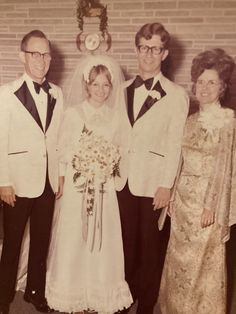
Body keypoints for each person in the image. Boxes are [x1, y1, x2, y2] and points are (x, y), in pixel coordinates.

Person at [45, 55, 133, 314]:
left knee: (103, 240)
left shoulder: (117, 117)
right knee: (74, 238)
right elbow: (62, 149)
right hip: (77, 188)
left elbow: (124, 149)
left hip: (104, 189)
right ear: (86, 86)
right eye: (95, 84)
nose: (101, 90)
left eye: (106, 85)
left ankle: (100, 292)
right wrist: (80, 164)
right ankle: (69, 290)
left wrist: (109, 168)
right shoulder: (73, 114)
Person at [115, 22, 189, 314]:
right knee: (124, 244)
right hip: (122, 181)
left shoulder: (176, 95)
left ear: (165, 53)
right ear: (136, 50)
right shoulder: (119, 90)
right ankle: (123, 297)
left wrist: (166, 185)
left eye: (155, 49)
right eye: (143, 48)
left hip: (153, 184)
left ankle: (146, 304)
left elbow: (175, 144)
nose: (148, 54)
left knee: (150, 248)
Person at [159, 48, 236, 314]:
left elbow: (224, 169)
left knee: (202, 266)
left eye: (211, 82)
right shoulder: (189, 120)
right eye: (200, 81)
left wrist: (211, 206)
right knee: (180, 264)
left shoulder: (228, 122)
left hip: (206, 206)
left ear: (222, 86)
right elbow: (179, 161)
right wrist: (171, 196)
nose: (204, 87)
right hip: (182, 205)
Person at [0, 30, 64, 314]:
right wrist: (3, 181)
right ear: (22, 56)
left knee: (41, 241)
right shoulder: (7, 93)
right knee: (12, 244)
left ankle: (35, 293)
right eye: (34, 54)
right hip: (17, 182)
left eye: (46, 54)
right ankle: (2, 298)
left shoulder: (58, 93)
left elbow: (59, 139)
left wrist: (60, 173)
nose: (41, 60)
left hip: (48, 181)